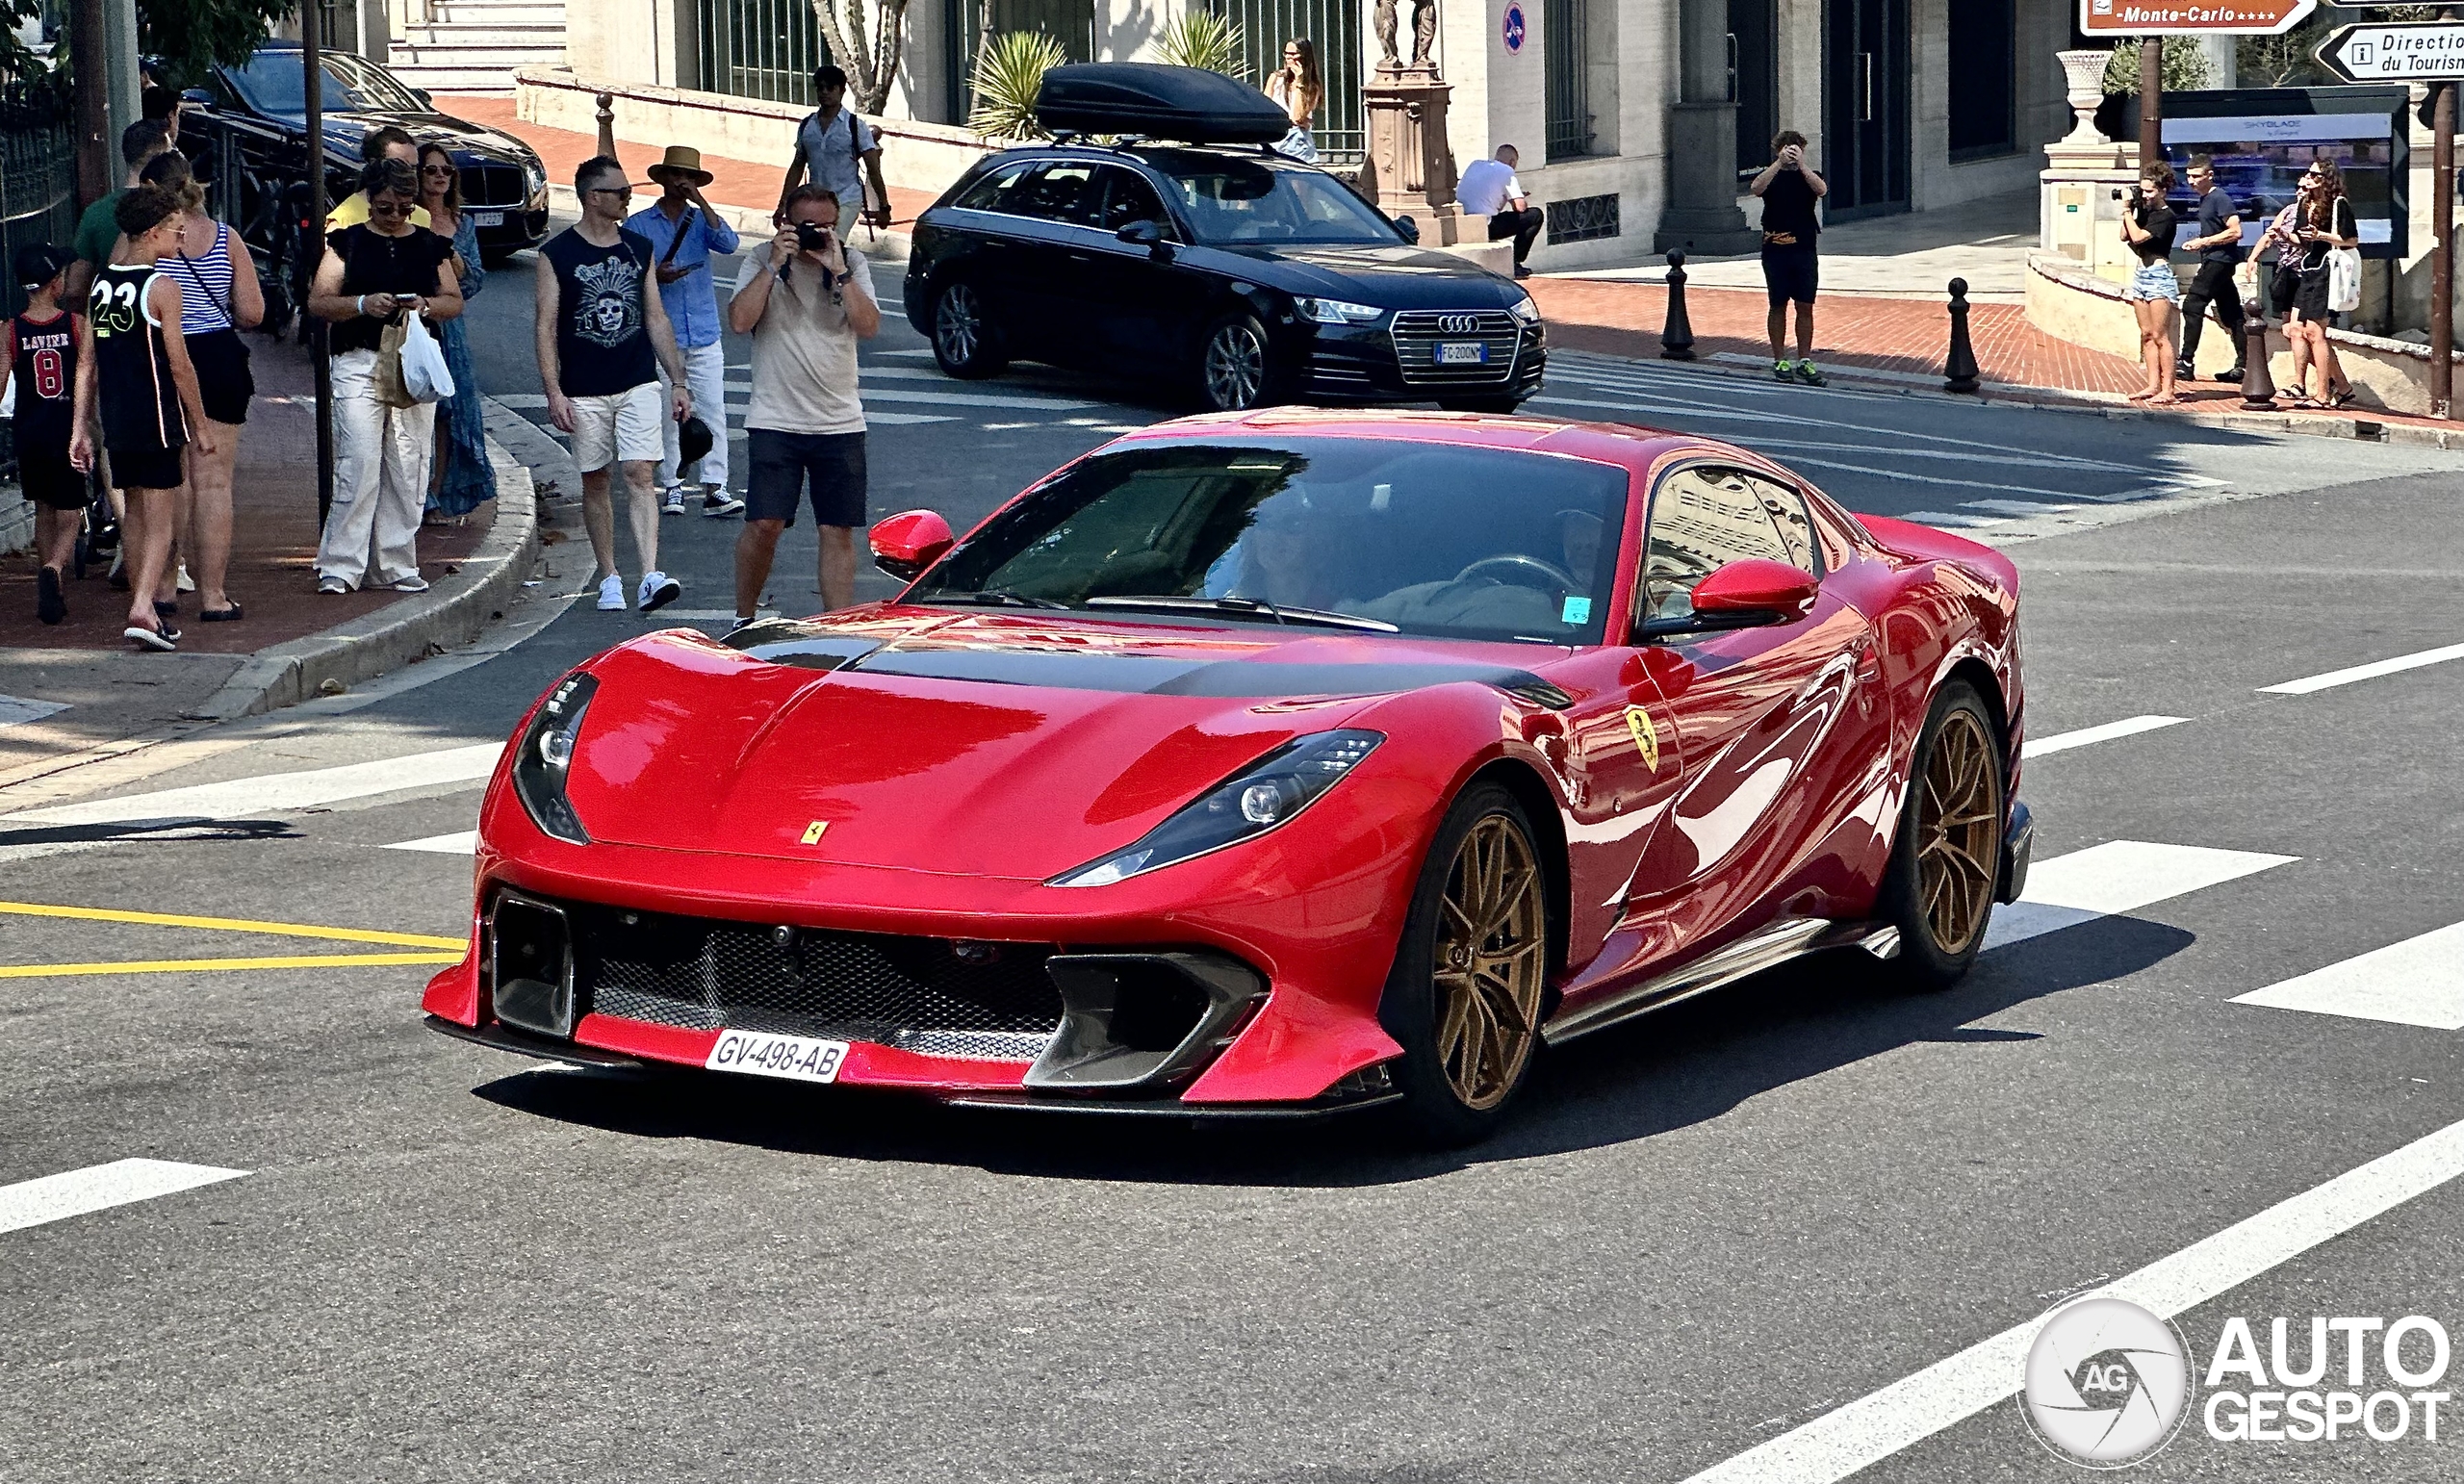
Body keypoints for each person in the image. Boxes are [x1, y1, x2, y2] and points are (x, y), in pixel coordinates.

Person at [538, 155, 694, 613]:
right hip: (583, 386)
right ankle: (609, 574)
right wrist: (553, 390)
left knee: (640, 473)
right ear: (593, 197)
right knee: (596, 479)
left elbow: (655, 316)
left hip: (637, 379)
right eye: (620, 192)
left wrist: (678, 380)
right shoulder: (557, 255)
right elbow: (545, 326)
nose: (629, 198)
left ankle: (649, 573)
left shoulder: (638, 248)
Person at [308, 157, 464, 593]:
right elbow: (320, 301)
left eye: (404, 207)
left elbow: (453, 299)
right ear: (369, 202)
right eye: (385, 207)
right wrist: (360, 304)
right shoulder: (347, 243)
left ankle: (395, 562)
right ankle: (340, 565)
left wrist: (425, 306)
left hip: (411, 364)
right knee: (358, 462)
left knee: (409, 463)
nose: (396, 216)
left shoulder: (431, 245)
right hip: (359, 359)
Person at [725, 184, 881, 623]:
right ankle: (745, 615)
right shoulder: (760, 260)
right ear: (785, 223)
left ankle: (837, 628)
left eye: (827, 226)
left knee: (837, 529)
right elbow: (739, 321)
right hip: (776, 418)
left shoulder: (852, 262)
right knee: (765, 523)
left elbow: (869, 327)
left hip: (840, 422)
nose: (817, 234)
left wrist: (840, 270)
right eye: (807, 225)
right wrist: (776, 264)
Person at [69, 182, 214, 652]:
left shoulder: (102, 286)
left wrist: (80, 427)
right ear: (152, 233)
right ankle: (143, 605)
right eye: (175, 231)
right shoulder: (161, 287)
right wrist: (201, 424)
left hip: (118, 418)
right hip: (157, 416)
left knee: (133, 513)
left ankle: (143, 601)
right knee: (161, 518)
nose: (180, 241)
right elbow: (180, 364)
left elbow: (87, 362)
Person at [148, 149, 264, 624]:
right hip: (217, 357)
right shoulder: (225, 237)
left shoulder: (146, 240)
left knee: (172, 480)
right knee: (214, 480)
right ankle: (214, 595)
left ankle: (166, 584)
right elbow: (253, 312)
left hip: (163, 356)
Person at [628, 145, 744, 518]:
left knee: (713, 411)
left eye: (690, 177)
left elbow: (729, 243)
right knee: (668, 414)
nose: (683, 182)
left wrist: (702, 202)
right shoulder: (640, 225)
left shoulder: (700, 222)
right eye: (677, 175)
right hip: (664, 336)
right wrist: (655, 277)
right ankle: (674, 486)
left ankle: (716, 486)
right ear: (662, 179)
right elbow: (628, 273)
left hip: (704, 331)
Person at [5, 244, 85, 626]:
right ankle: (54, 568)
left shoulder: (10, 330)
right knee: (72, 515)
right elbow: (88, 375)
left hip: (30, 431)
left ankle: (45, 576)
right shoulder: (75, 325)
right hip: (65, 428)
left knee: (43, 509)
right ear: (56, 284)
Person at [417, 141, 497, 520]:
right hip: (414, 323)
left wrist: (456, 265)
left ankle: (439, 492)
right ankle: (417, 493)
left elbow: (475, 278)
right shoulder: (408, 217)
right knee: (423, 410)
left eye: (446, 171)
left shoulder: (461, 224)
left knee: (452, 412)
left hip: (451, 324)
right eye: (431, 170)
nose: (439, 177)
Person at [1751, 129, 1829, 385]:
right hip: (1775, 248)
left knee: (1805, 305)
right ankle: (1779, 358)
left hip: (1804, 247)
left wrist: (1801, 166)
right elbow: (1756, 188)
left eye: (1796, 149)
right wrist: (1778, 164)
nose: (1792, 153)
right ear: (1778, 150)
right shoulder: (1771, 176)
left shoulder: (1809, 176)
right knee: (1778, 304)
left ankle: (1804, 359)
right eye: (1787, 148)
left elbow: (1822, 190)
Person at [778, 64, 891, 232]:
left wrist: (884, 207)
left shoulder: (856, 127)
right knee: (812, 246)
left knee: (833, 242)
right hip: (816, 201)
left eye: (830, 87)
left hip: (847, 198)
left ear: (841, 90)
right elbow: (797, 166)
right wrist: (783, 205)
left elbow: (873, 170)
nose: (824, 92)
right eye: (820, 88)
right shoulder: (807, 126)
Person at [2287, 159, 2358, 409]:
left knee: (2315, 332)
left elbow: (2351, 239)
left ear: (2326, 179)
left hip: (2328, 269)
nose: (2309, 178)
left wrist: (2321, 236)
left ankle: (2323, 394)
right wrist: (2286, 236)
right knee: (2297, 329)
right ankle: (2339, 387)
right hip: (2309, 267)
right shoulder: (2304, 203)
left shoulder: (2339, 204)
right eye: (2309, 173)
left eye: (2315, 175)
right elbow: (2301, 238)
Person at [2174, 155, 2245, 385]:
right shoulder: (2206, 199)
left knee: (2193, 304)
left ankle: (2185, 362)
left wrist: (2203, 243)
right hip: (2214, 259)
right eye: (2188, 177)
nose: (2191, 181)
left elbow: (2235, 231)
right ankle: (2244, 366)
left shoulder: (2219, 198)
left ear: (2209, 175)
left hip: (2219, 260)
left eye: (2196, 176)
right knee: (2231, 313)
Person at [2118, 165, 2182, 406]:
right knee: (2146, 334)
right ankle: (2152, 384)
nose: (2145, 196)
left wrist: (2126, 211)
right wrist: (2131, 211)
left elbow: (2138, 237)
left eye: (2150, 191)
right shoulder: (2143, 213)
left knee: (2160, 335)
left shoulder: (2166, 216)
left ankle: (2169, 389)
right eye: (2142, 191)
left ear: (2163, 191)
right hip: (2141, 273)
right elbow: (2124, 236)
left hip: (2158, 275)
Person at [1457, 144, 1542, 279]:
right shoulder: (1507, 171)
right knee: (1535, 215)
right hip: (1486, 225)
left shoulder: (1475, 164)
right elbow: (1520, 208)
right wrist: (1519, 197)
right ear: (1512, 162)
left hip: (1463, 220)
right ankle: (1515, 262)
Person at [328, 126, 432, 232]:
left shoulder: (423, 217)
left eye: (413, 167)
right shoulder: (344, 220)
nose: (407, 172)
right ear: (374, 164)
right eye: (397, 164)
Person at [1266, 38, 1322, 164]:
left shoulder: (1312, 87)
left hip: (1297, 145)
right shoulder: (1276, 78)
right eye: (1286, 53)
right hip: (1275, 139)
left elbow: (1297, 117)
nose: (1288, 58)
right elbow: (1265, 107)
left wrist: (1300, 82)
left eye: (1293, 54)